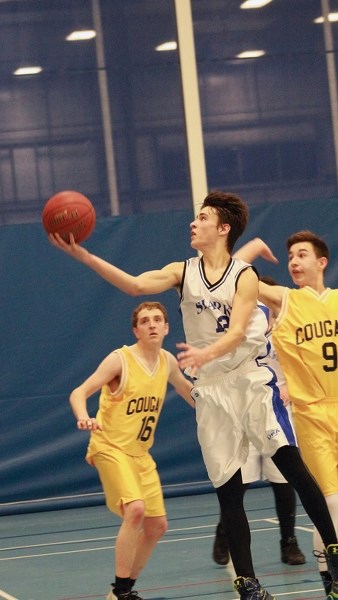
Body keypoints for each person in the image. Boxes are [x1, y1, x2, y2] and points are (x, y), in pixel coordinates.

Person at [49, 190, 338, 600]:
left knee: (292, 468)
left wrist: (207, 352)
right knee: (229, 492)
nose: (192, 222)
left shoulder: (245, 276)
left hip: (252, 380)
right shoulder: (182, 271)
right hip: (213, 390)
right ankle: (248, 584)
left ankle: (334, 559)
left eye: (201, 217)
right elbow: (134, 286)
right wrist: (86, 257)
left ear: (222, 229)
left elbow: (238, 330)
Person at [234, 231, 338, 595]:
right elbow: (235, 273)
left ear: (321, 262)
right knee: (331, 500)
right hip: (311, 415)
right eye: (290, 255)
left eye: (302, 254)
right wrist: (253, 247)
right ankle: (331, 578)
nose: (293, 261)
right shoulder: (286, 300)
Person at [68, 301, 194, 600]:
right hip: (109, 446)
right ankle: (122, 592)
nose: (152, 324)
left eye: (157, 319)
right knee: (136, 509)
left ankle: (121, 591)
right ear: (136, 330)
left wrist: (216, 413)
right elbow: (79, 392)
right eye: (145, 321)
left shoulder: (167, 362)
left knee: (157, 526)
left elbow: (188, 391)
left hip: (140, 454)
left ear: (166, 327)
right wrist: (83, 415)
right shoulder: (120, 360)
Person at [212, 278, 305, 567]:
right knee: (239, 481)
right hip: (243, 412)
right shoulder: (238, 331)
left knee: (284, 480)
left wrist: (292, 388)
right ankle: (224, 531)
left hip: (277, 410)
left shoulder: (287, 331)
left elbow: (304, 368)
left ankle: (288, 542)